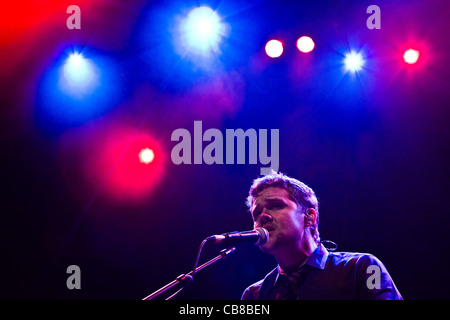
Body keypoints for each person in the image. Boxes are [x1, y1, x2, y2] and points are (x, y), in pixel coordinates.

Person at [241, 172, 403, 300]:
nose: (262, 217)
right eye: (256, 214)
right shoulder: (253, 295)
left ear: (309, 217)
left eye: (276, 206)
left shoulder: (363, 268)